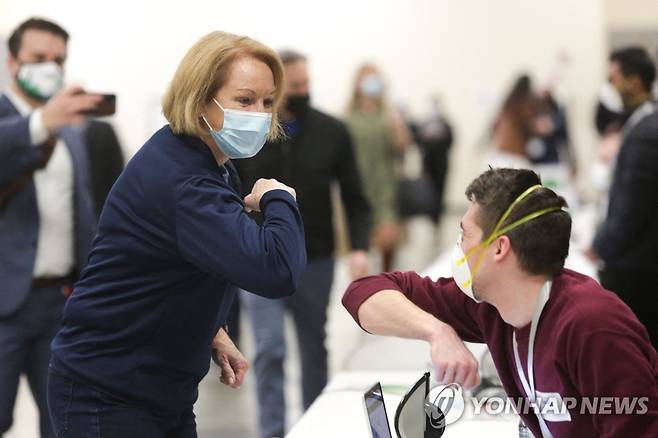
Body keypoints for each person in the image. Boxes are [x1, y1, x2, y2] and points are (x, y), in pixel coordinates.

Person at [47, 31, 307, 437]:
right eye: (244, 100)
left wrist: (212, 331)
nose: (259, 113)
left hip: (156, 390)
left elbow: (174, 264)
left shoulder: (206, 162)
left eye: (267, 101)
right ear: (202, 100)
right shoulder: (185, 180)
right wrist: (279, 200)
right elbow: (277, 271)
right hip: (109, 394)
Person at [343, 168, 658, 437]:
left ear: (499, 248)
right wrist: (436, 331)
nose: (459, 249)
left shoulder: (591, 325)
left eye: (465, 235)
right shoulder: (490, 306)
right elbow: (362, 294)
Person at [233, 49, 371, 438]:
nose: (303, 91)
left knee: (314, 347)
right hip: (258, 257)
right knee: (269, 349)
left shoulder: (332, 131)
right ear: (275, 90)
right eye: (295, 86)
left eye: (307, 84)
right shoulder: (250, 132)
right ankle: (272, 431)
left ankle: (314, 426)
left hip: (316, 257)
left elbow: (354, 196)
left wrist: (359, 247)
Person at [0, 17, 107, 437]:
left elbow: (84, 207)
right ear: (12, 62)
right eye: (39, 58)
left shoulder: (72, 129)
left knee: (63, 418)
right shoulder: (27, 121)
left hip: (63, 302)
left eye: (58, 60)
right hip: (5, 303)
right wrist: (42, 121)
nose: (51, 68)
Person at [587, 47, 658, 349]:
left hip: (637, 268)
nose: (610, 85)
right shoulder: (638, 123)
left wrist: (602, 244)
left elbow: (633, 205)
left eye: (613, 77)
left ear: (634, 80)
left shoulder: (646, 131)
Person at [345, 63, 411, 272]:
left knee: (388, 243)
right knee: (359, 247)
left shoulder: (388, 115)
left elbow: (402, 146)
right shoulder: (348, 116)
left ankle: (387, 286)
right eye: (366, 79)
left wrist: (398, 125)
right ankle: (360, 293)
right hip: (358, 187)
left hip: (384, 190)